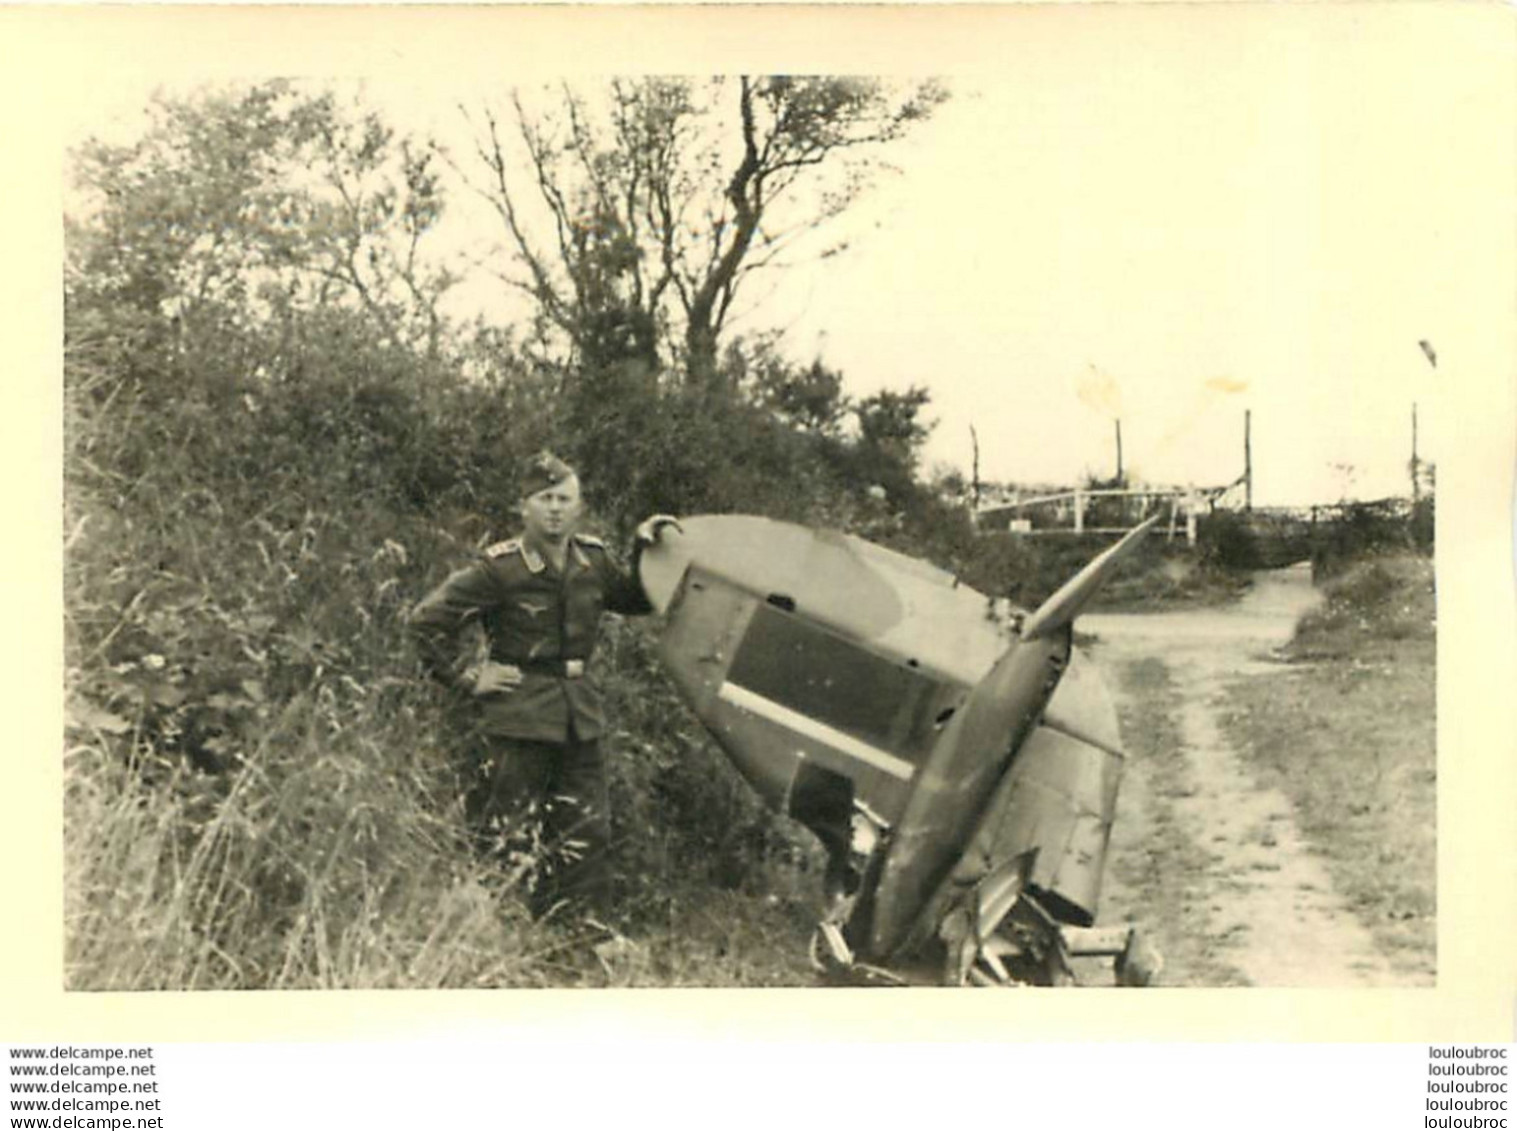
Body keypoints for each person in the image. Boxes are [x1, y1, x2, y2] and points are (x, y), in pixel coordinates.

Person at [409, 450, 679, 919]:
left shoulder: (592, 560)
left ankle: (575, 940)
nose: (556, 508)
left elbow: (637, 598)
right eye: (545, 498)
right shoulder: (501, 568)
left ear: (578, 507)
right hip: (519, 716)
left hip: (580, 718)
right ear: (524, 507)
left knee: (586, 831)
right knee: (506, 830)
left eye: (565, 499)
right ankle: (499, 936)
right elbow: (426, 621)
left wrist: (646, 550)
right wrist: (468, 678)